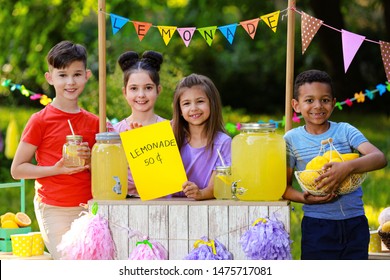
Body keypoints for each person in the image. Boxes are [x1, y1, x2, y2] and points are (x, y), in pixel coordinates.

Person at [283, 69, 387, 260]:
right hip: (317, 226)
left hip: (355, 223)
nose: (318, 106)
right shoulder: (291, 139)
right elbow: (284, 188)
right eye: (309, 100)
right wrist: (304, 198)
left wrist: (346, 167)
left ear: (333, 103)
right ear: (296, 106)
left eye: (324, 100)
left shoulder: (345, 131)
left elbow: (379, 157)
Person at [10, 41, 99, 259]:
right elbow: (18, 169)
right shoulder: (40, 121)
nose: (70, 82)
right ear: (50, 78)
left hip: (90, 208)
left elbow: (110, 168)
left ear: (87, 75)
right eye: (62, 75)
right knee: (70, 263)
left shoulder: (96, 122)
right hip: (53, 208)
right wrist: (57, 169)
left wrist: (92, 160)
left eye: (77, 74)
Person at [108, 50, 165, 196]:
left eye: (148, 88)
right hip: (124, 204)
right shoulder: (114, 132)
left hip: (162, 204)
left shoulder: (169, 129)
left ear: (158, 90)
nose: (141, 95)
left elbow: (167, 177)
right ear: (124, 92)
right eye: (134, 88)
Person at [172, 73, 231, 200]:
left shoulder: (223, 143)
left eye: (200, 101)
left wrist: (201, 193)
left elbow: (217, 185)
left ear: (212, 104)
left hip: (205, 208)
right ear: (180, 110)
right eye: (186, 103)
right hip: (166, 207)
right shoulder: (170, 137)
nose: (193, 108)